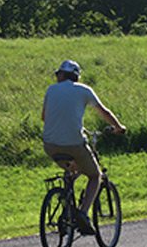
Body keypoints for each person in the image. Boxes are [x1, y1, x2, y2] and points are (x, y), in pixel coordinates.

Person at [41, 60, 125, 234]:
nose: (57, 77)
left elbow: (44, 117)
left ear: (63, 75)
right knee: (95, 175)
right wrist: (119, 127)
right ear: (76, 76)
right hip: (74, 144)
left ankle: (67, 207)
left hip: (49, 145)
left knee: (72, 169)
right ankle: (83, 213)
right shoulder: (84, 90)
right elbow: (104, 112)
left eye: (58, 74)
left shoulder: (51, 90)